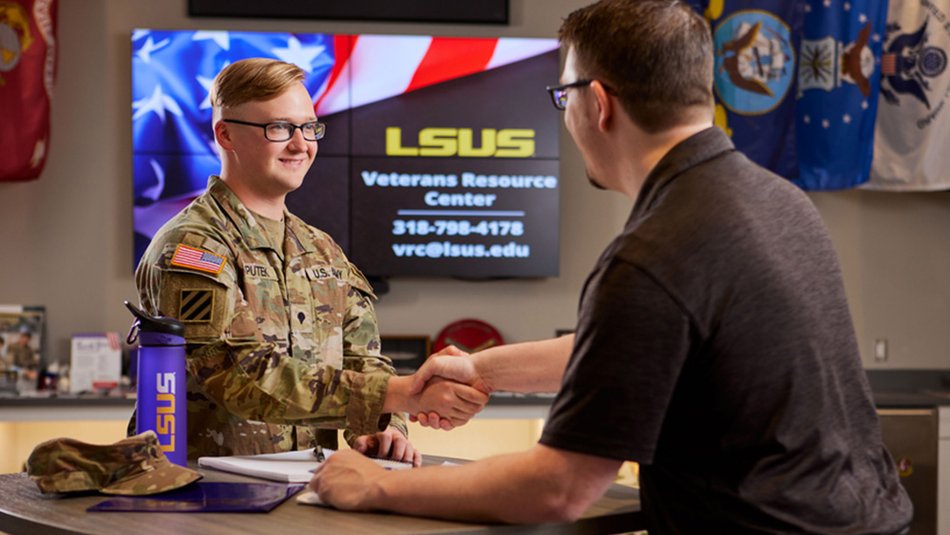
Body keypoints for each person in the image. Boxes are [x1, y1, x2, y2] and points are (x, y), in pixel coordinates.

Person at [309, 1, 913, 531]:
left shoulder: (655, 253)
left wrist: (377, 485)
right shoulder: (779, 201)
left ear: (597, 102)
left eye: (562, 96)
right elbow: (637, 347)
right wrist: (480, 368)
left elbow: (559, 487)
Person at [134, 58, 487, 465]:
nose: (301, 144)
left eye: (309, 127)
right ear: (225, 134)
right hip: (210, 495)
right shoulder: (194, 246)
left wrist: (382, 428)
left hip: (308, 487)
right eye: (279, 128)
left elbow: (363, 359)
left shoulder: (321, 249)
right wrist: (400, 391)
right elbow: (238, 376)